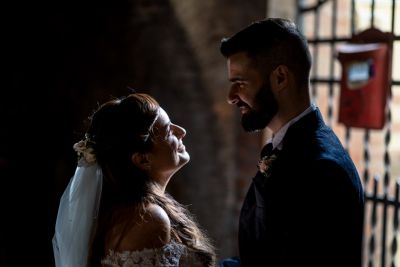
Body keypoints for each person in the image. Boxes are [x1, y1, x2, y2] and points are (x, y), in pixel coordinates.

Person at [218, 18, 364, 267]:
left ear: (281, 78)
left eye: (240, 83)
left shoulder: (321, 169)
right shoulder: (287, 147)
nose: (231, 97)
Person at [52, 92, 216, 267]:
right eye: (168, 131)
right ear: (143, 159)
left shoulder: (132, 211)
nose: (181, 131)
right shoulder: (146, 219)